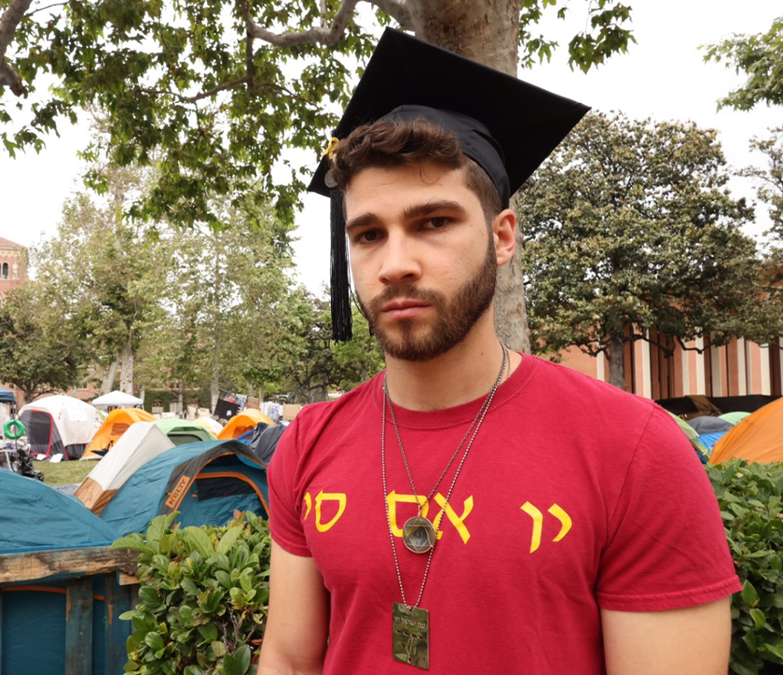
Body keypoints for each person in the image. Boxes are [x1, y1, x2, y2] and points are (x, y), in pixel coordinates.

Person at [260, 28, 741, 674]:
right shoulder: (308, 443)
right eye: (369, 233)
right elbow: (290, 659)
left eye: (433, 221)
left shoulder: (634, 453)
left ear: (503, 235)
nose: (396, 263)